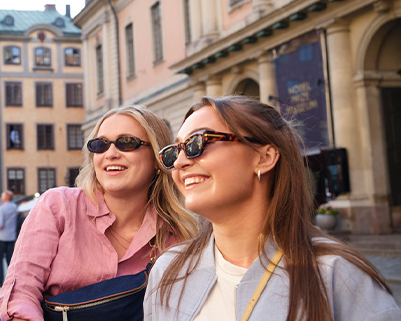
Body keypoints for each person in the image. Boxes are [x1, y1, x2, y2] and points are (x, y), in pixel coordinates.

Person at [145, 96, 401, 320]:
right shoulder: (168, 270)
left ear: (264, 157)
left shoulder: (336, 275)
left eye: (196, 142)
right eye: (174, 151)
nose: (179, 162)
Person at [0, 105, 198, 321]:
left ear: (157, 158)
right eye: (101, 145)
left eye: (127, 143)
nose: (111, 154)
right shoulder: (58, 206)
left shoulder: (178, 237)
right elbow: (21, 294)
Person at [0, 191, 18, 290]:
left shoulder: (2, 208)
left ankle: (0, 283)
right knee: (10, 262)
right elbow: (5, 208)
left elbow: (0, 225)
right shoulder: (14, 207)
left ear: (5, 198)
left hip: (1, 237)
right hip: (11, 237)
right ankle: (11, 282)